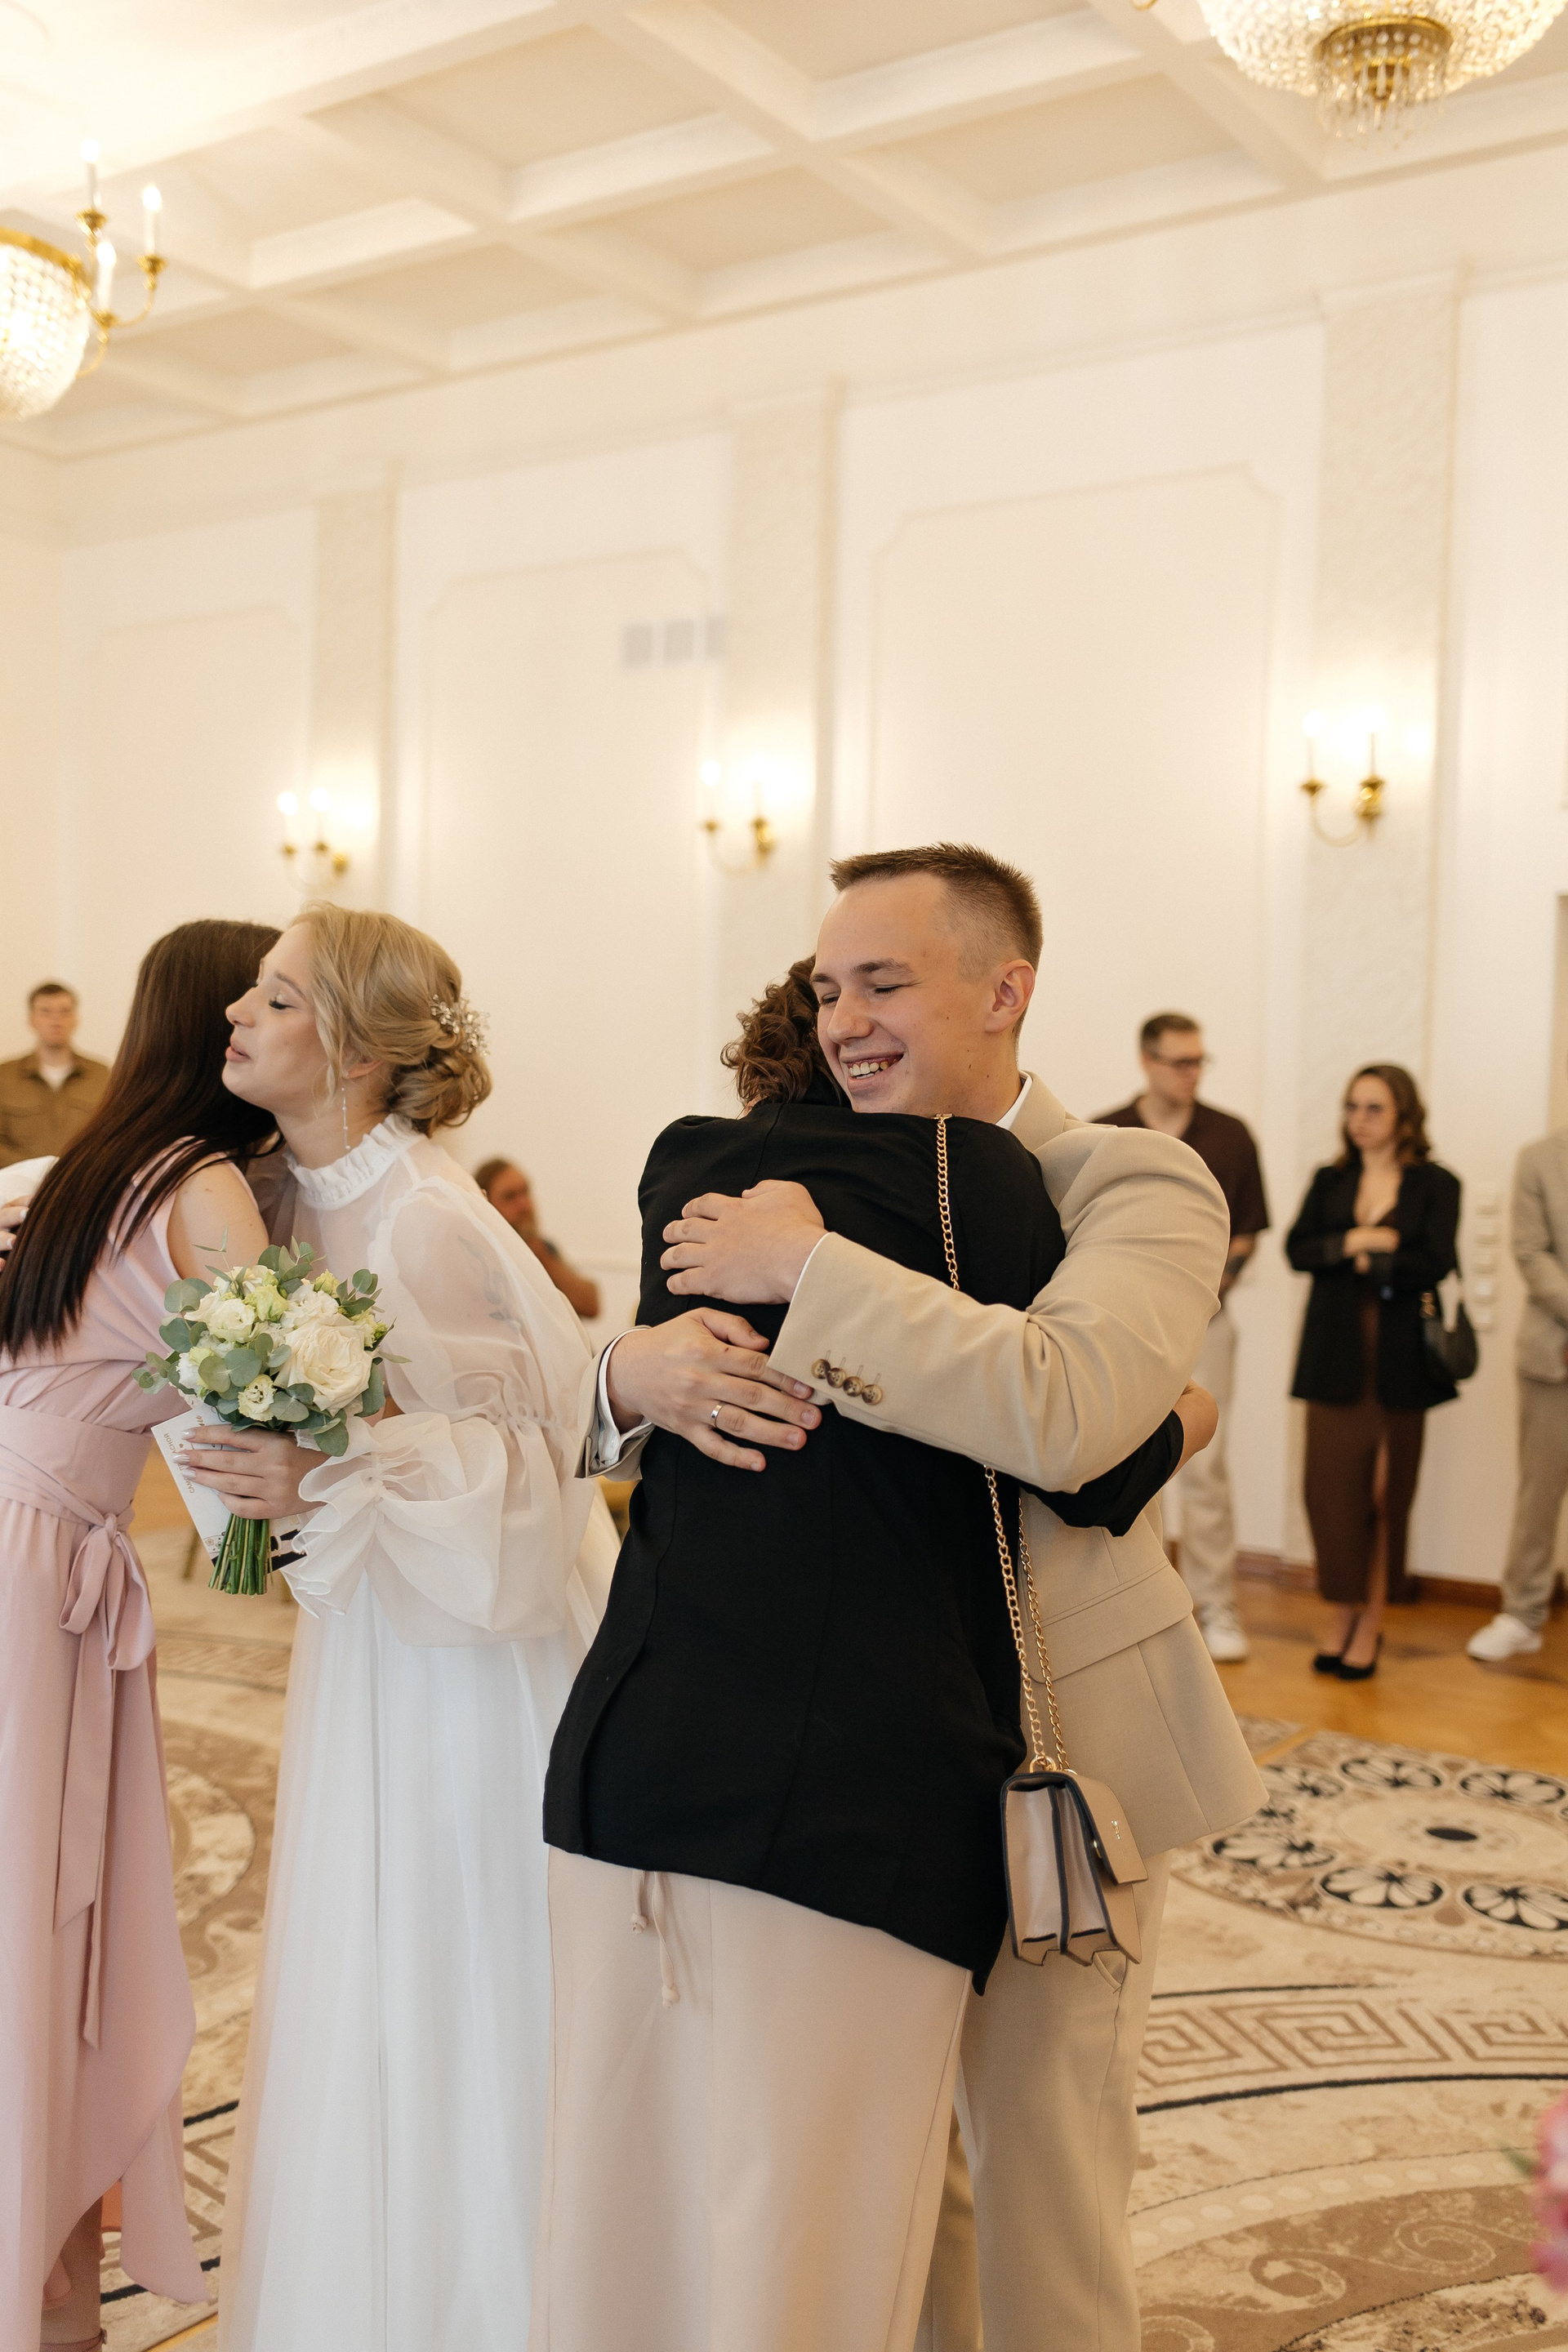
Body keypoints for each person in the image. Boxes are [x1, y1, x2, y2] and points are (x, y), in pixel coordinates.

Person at [574, 843, 1264, 2352]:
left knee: (1043, 2176)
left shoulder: (1129, 1177)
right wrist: (635, 1377)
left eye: (883, 983)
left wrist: (812, 1270)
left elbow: (1068, 1409)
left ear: (1005, 991)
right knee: (898, 2178)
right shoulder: (789, 1174)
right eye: (827, 989)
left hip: (1058, 1745)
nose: (844, 1022)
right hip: (863, 1751)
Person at [189, 903, 608, 2352]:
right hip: (370, 1629)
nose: (238, 1013)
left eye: (276, 997)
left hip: (470, 1662)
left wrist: (333, 1472)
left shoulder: (430, 1221)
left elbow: (544, 1467)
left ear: (359, 1050)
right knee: (358, 1962)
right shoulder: (274, 1196)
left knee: (450, 1961)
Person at [0, 919, 280, 2352]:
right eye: (268, 998)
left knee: (35, 1906)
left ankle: (45, 2276)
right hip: (41, 1569)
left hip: (28, 1536)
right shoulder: (203, 1185)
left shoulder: (76, 1170)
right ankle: (43, 2291)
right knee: (42, 1918)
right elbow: (281, 1392)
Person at [1098, 1012, 1270, 1664]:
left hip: (1207, 1323)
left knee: (1206, 1469)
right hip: (1125, 1326)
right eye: (1180, 1062)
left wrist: (1195, 1294)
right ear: (1148, 1062)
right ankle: (1134, 1608)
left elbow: (1246, 1234)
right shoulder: (1107, 1132)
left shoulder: (1230, 1135)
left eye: (1200, 1061)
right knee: (1123, 1457)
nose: (1192, 1073)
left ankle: (1216, 1605)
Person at [1286, 1062, 1461, 1680]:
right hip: (1333, 1359)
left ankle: (1371, 1623)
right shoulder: (1330, 1179)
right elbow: (1299, 1249)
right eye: (1352, 1106)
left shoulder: (1436, 1183)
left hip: (1400, 1366)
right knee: (1331, 1499)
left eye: (1374, 1108)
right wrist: (1364, 1241)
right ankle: (1342, 1615)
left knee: (1388, 1500)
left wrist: (1362, 1256)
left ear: (1403, 1115)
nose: (1359, 1119)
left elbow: (1434, 1261)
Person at [1469, 1120, 1568, 1660]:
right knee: (1540, 1492)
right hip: (1555, 1356)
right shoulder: (1540, 1159)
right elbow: (1531, 1253)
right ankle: (1523, 1614)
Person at [0, 982, 110, 1169]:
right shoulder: (5, 1076)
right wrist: (35, 1171)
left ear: (75, 1019)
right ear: (32, 1019)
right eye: (46, 1012)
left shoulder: (102, 1076)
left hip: (82, 1180)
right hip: (17, 1182)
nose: (56, 1020)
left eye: (65, 1011)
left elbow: (112, 1136)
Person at [475, 1156, 601, 1319]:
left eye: (525, 1192)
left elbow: (590, 1305)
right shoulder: (480, 1257)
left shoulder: (543, 1248)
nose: (524, 1205)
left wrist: (537, 1250)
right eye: (510, 1196)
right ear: (486, 1204)